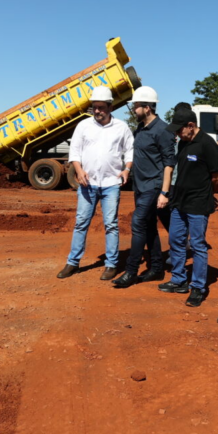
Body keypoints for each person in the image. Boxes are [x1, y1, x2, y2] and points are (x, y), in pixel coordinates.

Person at [57, 86, 134, 281]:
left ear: (110, 107)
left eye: (101, 107)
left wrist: (127, 169)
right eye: (94, 107)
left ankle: (111, 264)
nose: (97, 111)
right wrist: (79, 169)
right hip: (87, 184)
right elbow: (75, 151)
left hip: (111, 184)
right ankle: (73, 262)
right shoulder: (83, 126)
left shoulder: (121, 127)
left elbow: (130, 150)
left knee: (111, 224)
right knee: (81, 223)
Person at [157, 106, 218, 306]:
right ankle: (178, 280)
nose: (177, 134)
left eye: (180, 130)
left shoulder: (207, 144)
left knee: (197, 245)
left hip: (198, 203)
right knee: (175, 240)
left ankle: (198, 287)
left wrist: (208, 194)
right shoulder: (183, 143)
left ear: (191, 125)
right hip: (179, 202)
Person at [113, 86, 176, 288]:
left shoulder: (163, 130)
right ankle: (157, 268)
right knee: (149, 226)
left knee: (138, 223)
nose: (133, 109)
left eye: (136, 106)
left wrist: (164, 192)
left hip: (154, 186)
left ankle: (131, 271)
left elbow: (169, 164)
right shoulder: (140, 129)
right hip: (139, 187)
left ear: (147, 108)